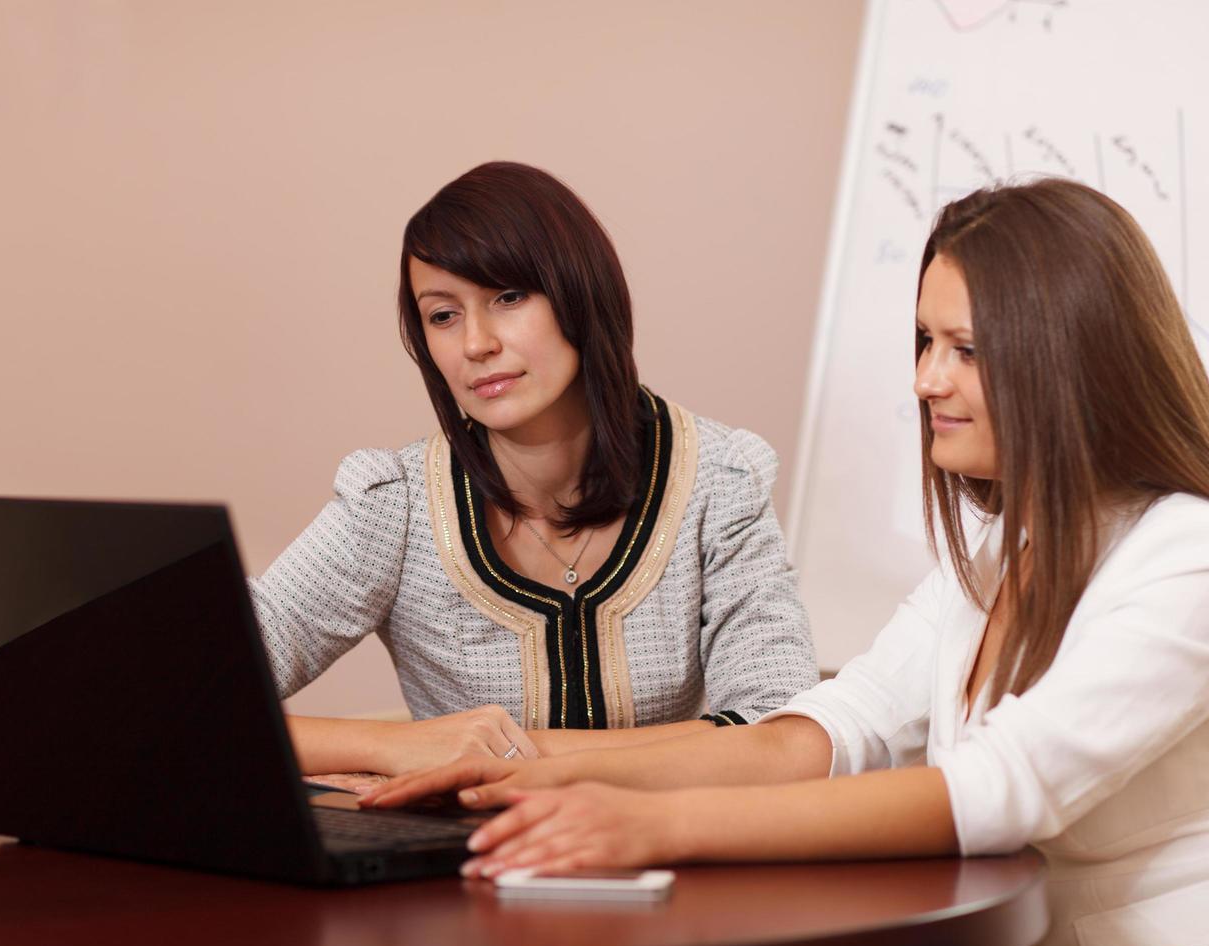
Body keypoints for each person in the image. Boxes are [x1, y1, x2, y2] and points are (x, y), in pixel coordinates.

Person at [363, 178, 1209, 946]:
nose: (928, 380)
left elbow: (996, 789)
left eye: (965, 350)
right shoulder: (1001, 554)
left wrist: (651, 827)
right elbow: (817, 734)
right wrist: (517, 767)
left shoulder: (1200, 562)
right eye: (923, 342)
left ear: (1071, 356)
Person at [253, 161, 818, 778]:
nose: (476, 343)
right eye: (443, 315)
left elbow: (782, 737)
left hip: (669, 863)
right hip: (465, 866)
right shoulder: (395, 504)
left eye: (509, 297)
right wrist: (390, 748)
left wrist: (504, 755)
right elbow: (184, 696)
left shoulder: (717, 482)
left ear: (580, 293)